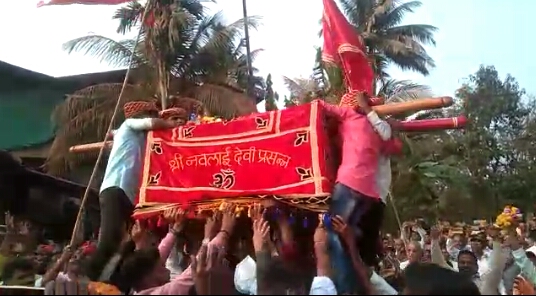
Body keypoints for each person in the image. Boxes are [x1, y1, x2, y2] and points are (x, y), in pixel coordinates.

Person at [87, 101, 184, 281]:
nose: (155, 118)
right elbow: (154, 124)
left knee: (129, 242)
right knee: (110, 239)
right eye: (152, 114)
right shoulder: (129, 124)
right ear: (142, 116)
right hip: (115, 188)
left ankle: (114, 281)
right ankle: (88, 281)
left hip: (129, 195)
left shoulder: (141, 137)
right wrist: (172, 124)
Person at [316, 92, 396, 294]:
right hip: (369, 194)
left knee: (332, 234)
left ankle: (343, 288)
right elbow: (389, 136)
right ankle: (350, 285)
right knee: (348, 238)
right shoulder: (379, 129)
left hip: (349, 185)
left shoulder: (349, 116)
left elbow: (320, 106)